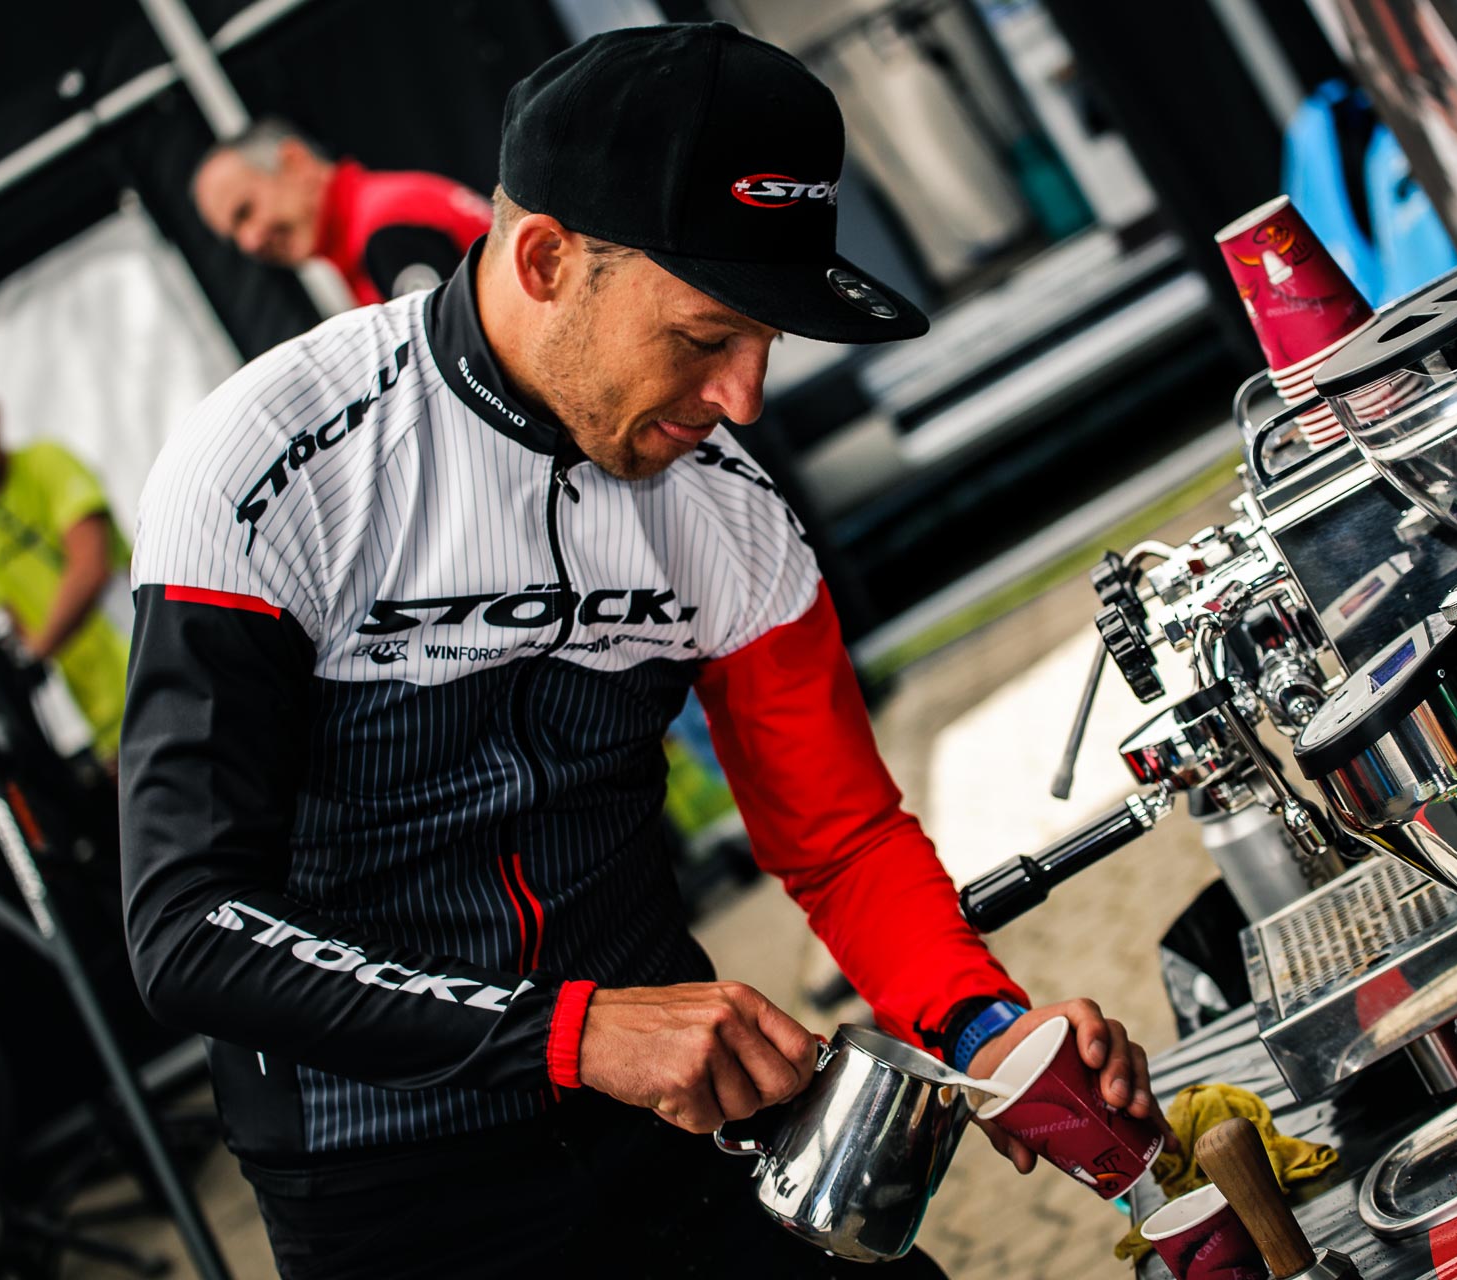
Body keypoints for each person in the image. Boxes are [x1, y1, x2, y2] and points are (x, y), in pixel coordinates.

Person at [122, 24, 1159, 1278]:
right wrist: (577, 1031)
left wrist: (986, 1026)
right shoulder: (265, 467)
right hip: (388, 1183)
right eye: (707, 335)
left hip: (681, 1119)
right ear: (547, 259)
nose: (743, 399)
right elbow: (188, 926)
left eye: (769, 341)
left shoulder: (726, 511)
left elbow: (839, 838)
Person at [0, 361, 133, 763]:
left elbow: (91, 567)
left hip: (160, 666)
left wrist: (33, 657)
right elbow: (11, 626)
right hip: (106, 722)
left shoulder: (48, 461)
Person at [192, 119, 491, 304]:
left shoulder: (383, 230)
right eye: (233, 238)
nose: (250, 242)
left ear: (295, 162)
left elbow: (454, 366)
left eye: (245, 212)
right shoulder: (376, 213)